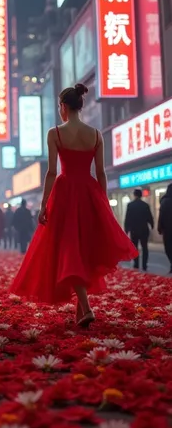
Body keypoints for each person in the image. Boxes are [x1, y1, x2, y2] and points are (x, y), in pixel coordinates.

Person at [11, 84, 137, 328]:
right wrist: (103, 201)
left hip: (66, 192)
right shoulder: (96, 134)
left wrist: (44, 203)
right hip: (90, 193)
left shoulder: (55, 133)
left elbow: (51, 172)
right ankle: (81, 311)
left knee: (70, 248)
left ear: (63, 107)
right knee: (85, 248)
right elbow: (101, 173)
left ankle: (86, 308)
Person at [124, 189, 154, 271]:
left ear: (134, 195)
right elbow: (150, 217)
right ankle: (144, 265)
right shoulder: (145, 205)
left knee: (135, 247)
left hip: (134, 230)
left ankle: (136, 264)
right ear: (141, 195)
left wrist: (126, 230)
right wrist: (152, 226)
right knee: (145, 248)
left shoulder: (130, 205)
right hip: (144, 229)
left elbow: (127, 219)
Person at [158, 184, 172, 273]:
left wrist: (160, 227)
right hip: (167, 229)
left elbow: (161, 216)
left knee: (169, 248)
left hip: (168, 230)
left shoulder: (165, 201)